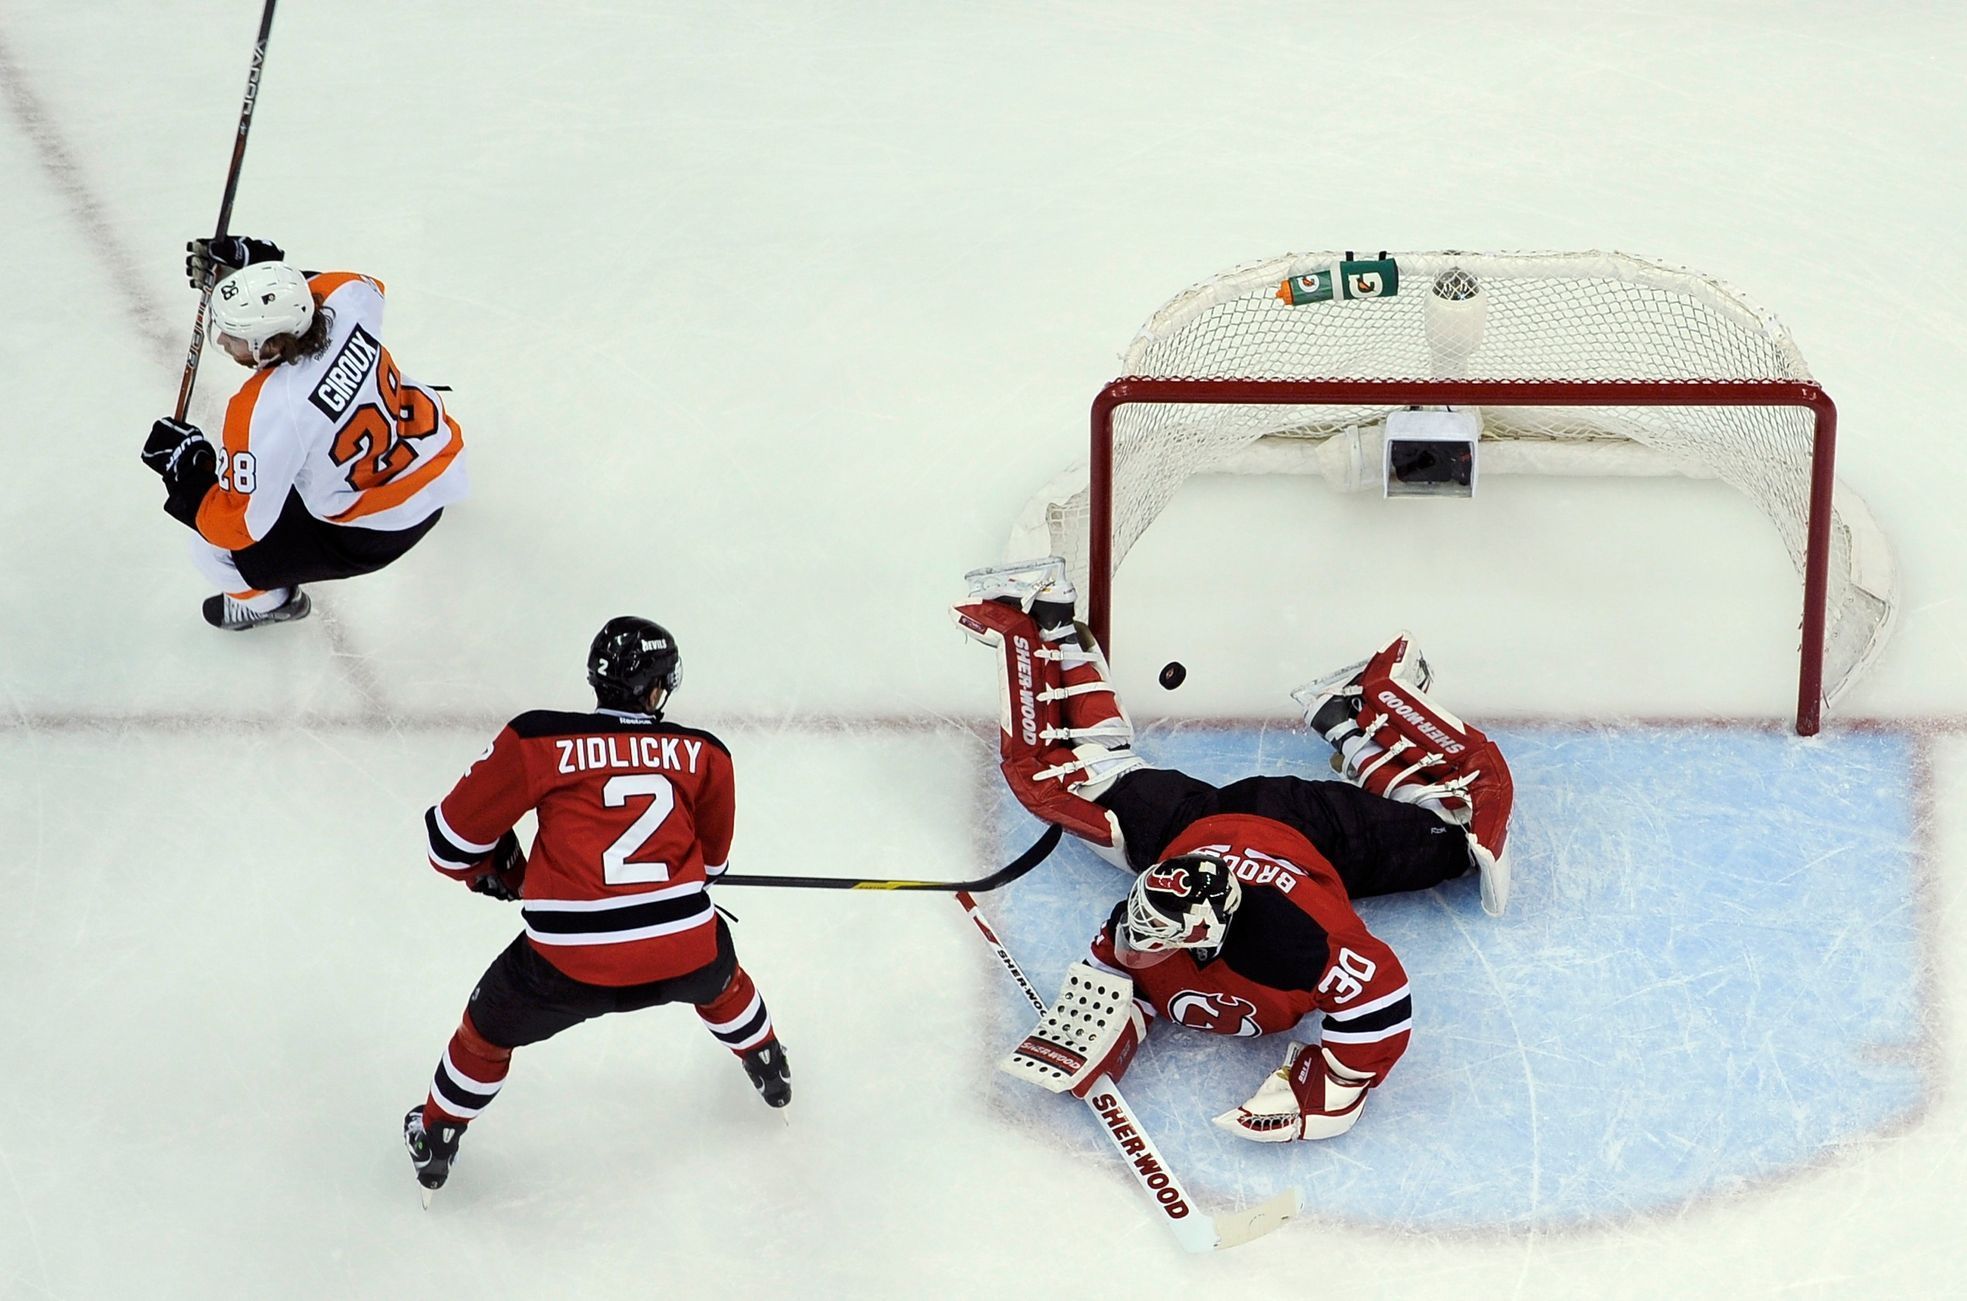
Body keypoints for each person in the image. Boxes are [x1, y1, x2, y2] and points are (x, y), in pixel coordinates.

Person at [952, 557, 1513, 1144]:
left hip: (1308, 829)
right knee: (1053, 778)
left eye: (1151, 938)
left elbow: (1381, 998)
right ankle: (1048, 618)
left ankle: (1355, 708)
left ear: (1207, 934)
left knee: (1460, 837)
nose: (1134, 944)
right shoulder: (1148, 910)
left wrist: (1333, 1082)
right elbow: (1114, 966)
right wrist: (1098, 1024)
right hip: (1194, 828)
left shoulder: (1294, 942)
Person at [402, 617, 790, 1200]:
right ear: (658, 688)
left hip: (567, 963)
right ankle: (769, 1065)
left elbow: (449, 846)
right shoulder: (706, 753)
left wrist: (497, 872)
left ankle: (436, 1134)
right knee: (721, 977)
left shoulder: (537, 739)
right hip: (683, 948)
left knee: (484, 1034)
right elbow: (710, 868)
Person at [138, 236, 467, 630]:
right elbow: (327, 291)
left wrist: (188, 472)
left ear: (265, 345)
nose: (222, 340)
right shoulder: (346, 297)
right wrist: (261, 273)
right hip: (440, 460)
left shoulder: (266, 410)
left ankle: (272, 604)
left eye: (233, 334)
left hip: (376, 531)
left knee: (211, 552)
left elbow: (239, 526)